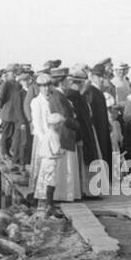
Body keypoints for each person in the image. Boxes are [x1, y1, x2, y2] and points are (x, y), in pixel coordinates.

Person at [29, 74, 64, 217]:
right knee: (41, 169)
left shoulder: (54, 98)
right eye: (42, 86)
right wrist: (47, 139)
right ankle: (41, 200)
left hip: (53, 135)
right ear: (38, 87)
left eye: (48, 85)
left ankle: (51, 199)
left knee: (52, 172)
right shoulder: (36, 102)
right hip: (43, 138)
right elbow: (37, 124)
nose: (46, 88)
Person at [45, 66, 82, 201]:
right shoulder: (58, 97)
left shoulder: (58, 96)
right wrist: (78, 125)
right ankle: (64, 194)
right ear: (62, 81)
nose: (69, 83)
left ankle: (65, 193)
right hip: (64, 135)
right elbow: (65, 117)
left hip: (65, 134)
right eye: (67, 80)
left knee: (65, 166)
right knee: (65, 166)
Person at [85, 61, 115, 183]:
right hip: (97, 129)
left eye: (104, 77)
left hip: (102, 127)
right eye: (100, 77)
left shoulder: (98, 91)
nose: (103, 80)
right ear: (93, 77)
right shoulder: (91, 91)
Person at [0, 64, 22, 158]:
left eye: (15, 72)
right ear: (8, 73)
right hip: (7, 112)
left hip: (14, 113)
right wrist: (2, 107)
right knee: (6, 133)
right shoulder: (6, 84)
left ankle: (7, 151)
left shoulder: (17, 84)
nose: (14, 74)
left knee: (11, 133)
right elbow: (0, 98)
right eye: (12, 72)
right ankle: (4, 152)